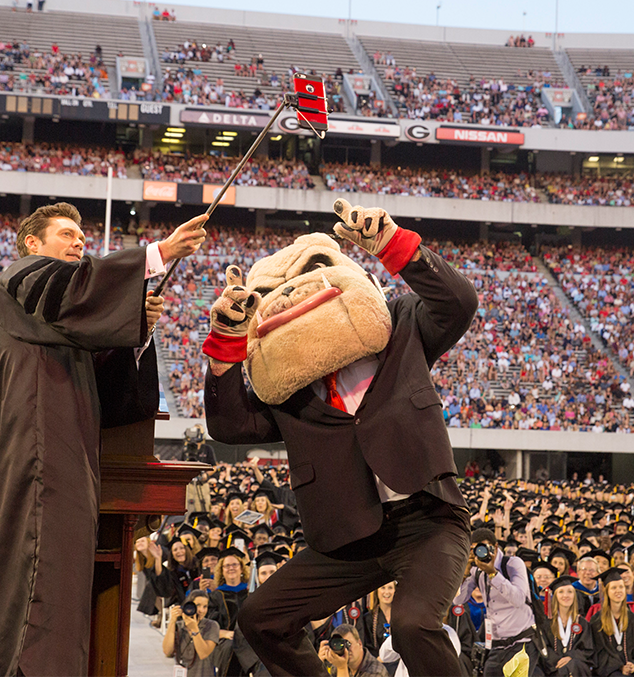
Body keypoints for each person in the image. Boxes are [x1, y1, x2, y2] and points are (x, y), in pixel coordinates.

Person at [203, 200, 478, 677]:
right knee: (260, 618)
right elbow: (229, 427)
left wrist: (394, 246)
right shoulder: (283, 384)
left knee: (412, 625)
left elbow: (459, 304)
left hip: (428, 520)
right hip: (349, 536)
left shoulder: (401, 326)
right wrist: (227, 341)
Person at [0, 202, 207, 677]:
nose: (79, 241)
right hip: (40, 451)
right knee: (40, 570)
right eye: (66, 234)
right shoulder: (22, 278)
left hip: (68, 451)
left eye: (82, 236)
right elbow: (76, 290)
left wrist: (140, 326)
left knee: (61, 575)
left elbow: (107, 392)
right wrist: (159, 252)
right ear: (32, 244)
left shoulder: (57, 323)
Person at [455, 527, 537, 676]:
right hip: (496, 645)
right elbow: (458, 600)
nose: (479, 553)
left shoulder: (512, 564)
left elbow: (518, 599)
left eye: (483, 548)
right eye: (474, 549)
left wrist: (493, 573)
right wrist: (465, 570)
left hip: (522, 642)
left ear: (496, 546)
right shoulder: (476, 570)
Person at [588, 568, 634, 676]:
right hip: (610, 670)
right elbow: (599, 653)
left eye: (621, 587)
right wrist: (620, 666)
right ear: (606, 591)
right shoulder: (597, 620)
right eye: (613, 588)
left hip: (633, 667)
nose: (618, 590)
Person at [539, 575, 594, 676]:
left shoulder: (582, 623)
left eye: (570, 591)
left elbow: (587, 649)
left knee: (574, 665)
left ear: (574, 595)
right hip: (554, 667)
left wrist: (570, 657)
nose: (566, 595)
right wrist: (559, 661)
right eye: (561, 592)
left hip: (577, 668)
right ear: (555, 596)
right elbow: (543, 647)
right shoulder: (546, 622)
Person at [163, 588, 220, 677]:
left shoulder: (212, 626)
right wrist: (172, 621)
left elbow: (203, 654)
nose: (202, 610)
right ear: (189, 606)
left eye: (205, 606)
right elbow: (167, 651)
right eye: (198, 605)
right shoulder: (179, 626)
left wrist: (194, 629)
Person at [321, 623, 388, 677]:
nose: (345, 650)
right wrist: (319, 663)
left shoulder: (376, 672)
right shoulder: (338, 664)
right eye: (340, 645)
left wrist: (342, 668)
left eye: (348, 644)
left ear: (360, 643)